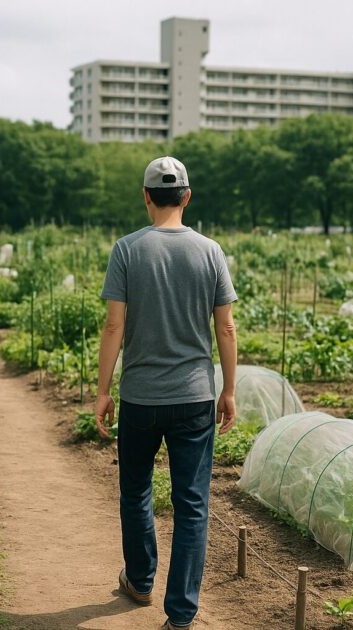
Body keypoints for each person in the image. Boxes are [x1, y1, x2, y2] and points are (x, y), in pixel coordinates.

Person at [95, 156, 238, 630]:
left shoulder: (127, 250)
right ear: (187, 196)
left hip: (140, 396)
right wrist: (229, 390)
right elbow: (227, 328)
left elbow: (115, 324)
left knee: (135, 490)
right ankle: (180, 614)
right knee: (192, 503)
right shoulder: (211, 251)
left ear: (146, 196)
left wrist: (102, 391)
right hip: (195, 396)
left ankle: (139, 580)